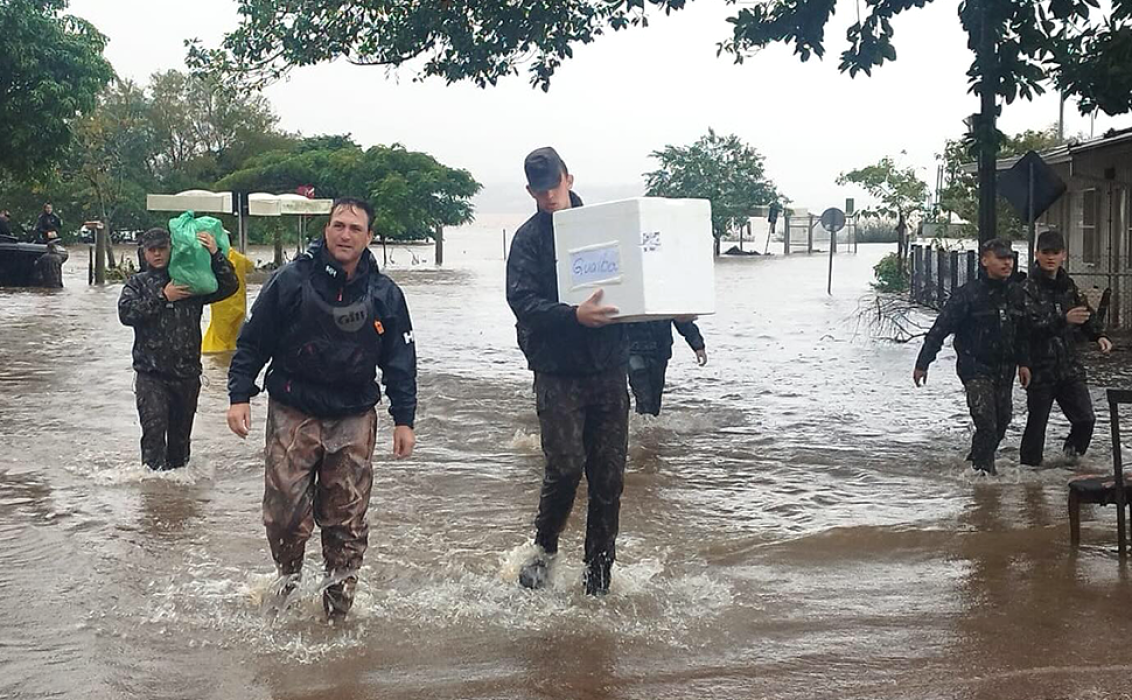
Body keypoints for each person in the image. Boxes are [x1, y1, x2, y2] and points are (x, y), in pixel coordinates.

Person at [226, 197, 417, 623]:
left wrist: (404, 419)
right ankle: (288, 582)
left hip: (354, 414)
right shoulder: (291, 280)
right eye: (337, 226)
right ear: (326, 229)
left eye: (354, 228)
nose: (344, 234)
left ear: (369, 237)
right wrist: (239, 394)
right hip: (294, 409)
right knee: (284, 516)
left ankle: (338, 611)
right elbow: (254, 340)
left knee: (345, 520)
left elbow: (401, 360)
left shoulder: (385, 294)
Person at [506, 146, 628, 596]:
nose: (548, 198)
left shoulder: (604, 228)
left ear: (569, 179)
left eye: (553, 188)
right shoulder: (529, 239)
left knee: (609, 476)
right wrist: (571, 315)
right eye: (539, 192)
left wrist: (678, 313)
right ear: (529, 191)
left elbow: (635, 283)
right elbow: (521, 301)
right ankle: (544, 551)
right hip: (557, 370)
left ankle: (599, 576)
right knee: (565, 465)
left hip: (609, 367)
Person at [118, 228, 238, 471]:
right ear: (144, 252)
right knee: (153, 436)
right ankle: (153, 498)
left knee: (179, 447)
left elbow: (229, 286)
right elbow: (126, 314)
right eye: (152, 250)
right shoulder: (138, 283)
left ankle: (178, 501)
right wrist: (163, 297)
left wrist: (215, 254)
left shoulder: (190, 281)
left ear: (171, 249)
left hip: (187, 374)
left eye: (162, 248)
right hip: (151, 375)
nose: (157, 254)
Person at [913, 238, 1031, 475]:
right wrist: (923, 363)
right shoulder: (968, 294)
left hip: (1005, 368)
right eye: (1001, 258)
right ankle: (983, 477)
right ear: (985, 260)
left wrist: (1024, 363)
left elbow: (1023, 332)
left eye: (1010, 258)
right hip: (974, 366)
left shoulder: (1016, 294)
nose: (1007, 263)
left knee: (1002, 421)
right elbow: (940, 329)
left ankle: (975, 463)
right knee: (986, 422)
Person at [1020, 230, 1113, 466]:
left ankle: (1069, 462)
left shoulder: (1067, 285)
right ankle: (1029, 476)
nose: (1050, 258)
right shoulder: (1027, 289)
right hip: (1040, 369)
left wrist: (1098, 335)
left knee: (1086, 420)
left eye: (1055, 253)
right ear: (1036, 254)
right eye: (1045, 253)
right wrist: (1063, 320)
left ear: (1064, 255)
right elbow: (1029, 327)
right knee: (1037, 425)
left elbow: (1085, 313)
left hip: (1069, 367)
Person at [626, 320, 707, 416]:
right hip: (632, 350)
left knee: (655, 396)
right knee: (643, 393)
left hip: (659, 351)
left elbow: (682, 321)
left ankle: (648, 424)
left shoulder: (665, 305)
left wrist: (698, 346)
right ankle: (642, 423)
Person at [201, 244, 256, 354]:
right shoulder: (239, 258)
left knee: (220, 341)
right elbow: (251, 267)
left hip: (222, 307)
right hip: (239, 307)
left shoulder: (214, 259)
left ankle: (218, 364)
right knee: (235, 339)